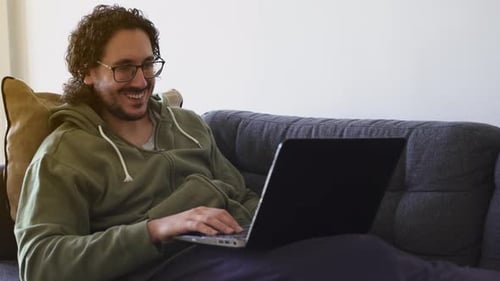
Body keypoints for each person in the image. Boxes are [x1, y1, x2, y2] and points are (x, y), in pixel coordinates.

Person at [14, 4, 500, 281]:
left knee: (358, 248)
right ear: (87, 73)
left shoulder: (186, 125)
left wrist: (277, 221)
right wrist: (158, 229)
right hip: (161, 268)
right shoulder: (65, 153)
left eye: (147, 65)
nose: (141, 81)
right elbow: (39, 262)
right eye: (124, 69)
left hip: (227, 251)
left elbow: (238, 195)